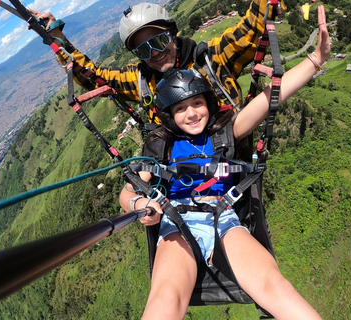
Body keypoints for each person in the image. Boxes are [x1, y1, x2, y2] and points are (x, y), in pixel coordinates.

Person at [119, 5, 329, 319]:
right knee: (165, 299)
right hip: (176, 225)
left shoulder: (225, 133)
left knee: (274, 286)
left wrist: (314, 61)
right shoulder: (159, 144)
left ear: (209, 104)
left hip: (224, 218)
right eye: (180, 109)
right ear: (169, 116)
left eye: (197, 103)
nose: (191, 113)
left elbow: (268, 98)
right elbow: (128, 191)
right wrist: (138, 205)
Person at [30, 0, 286, 123]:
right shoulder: (141, 80)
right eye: (143, 50)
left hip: (235, 174)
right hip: (182, 191)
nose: (155, 54)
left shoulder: (212, 58)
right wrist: (56, 37)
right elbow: (92, 76)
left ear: (172, 34)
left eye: (159, 41)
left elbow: (254, 27)